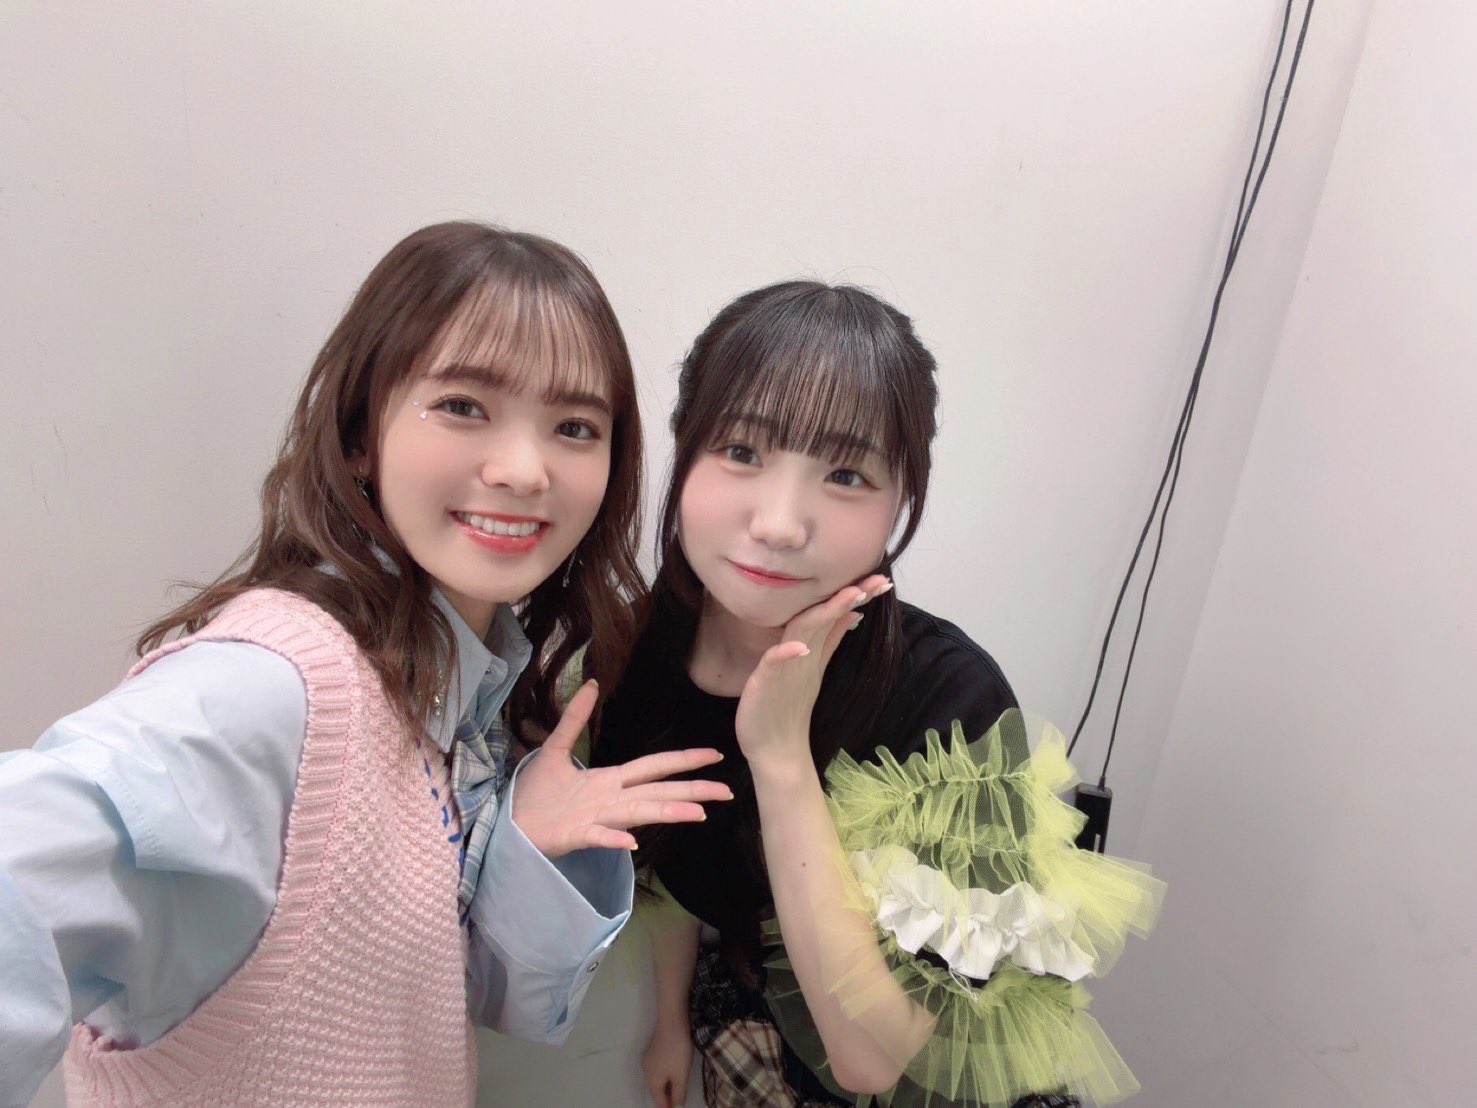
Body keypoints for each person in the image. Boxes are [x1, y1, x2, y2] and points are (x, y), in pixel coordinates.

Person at [0, 222, 733, 1107]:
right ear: (358, 433)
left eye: (574, 426)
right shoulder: (273, 686)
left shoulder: (459, 686)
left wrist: (522, 849)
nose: (523, 469)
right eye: (462, 406)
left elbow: (452, 1002)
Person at [595, 281, 1162, 1107]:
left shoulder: (948, 702)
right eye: (742, 451)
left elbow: (871, 1060)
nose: (780, 523)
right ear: (684, 452)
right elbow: (668, 855)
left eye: (846, 473)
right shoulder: (637, 655)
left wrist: (780, 755)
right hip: (756, 1041)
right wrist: (669, 1021)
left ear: (900, 501)